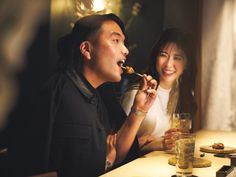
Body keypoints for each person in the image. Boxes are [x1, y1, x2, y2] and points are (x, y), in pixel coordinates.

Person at [8, 13, 157, 177]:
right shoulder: (54, 92)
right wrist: (105, 162)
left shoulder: (100, 96)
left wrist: (139, 110)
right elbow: (27, 167)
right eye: (116, 40)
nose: (126, 50)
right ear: (86, 49)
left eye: (124, 42)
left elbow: (114, 154)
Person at [121, 28, 197, 153]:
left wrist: (168, 138)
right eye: (163, 55)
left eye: (177, 58)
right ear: (155, 57)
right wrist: (151, 144)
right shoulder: (136, 94)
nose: (168, 64)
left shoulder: (183, 94)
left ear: (187, 64)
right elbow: (118, 150)